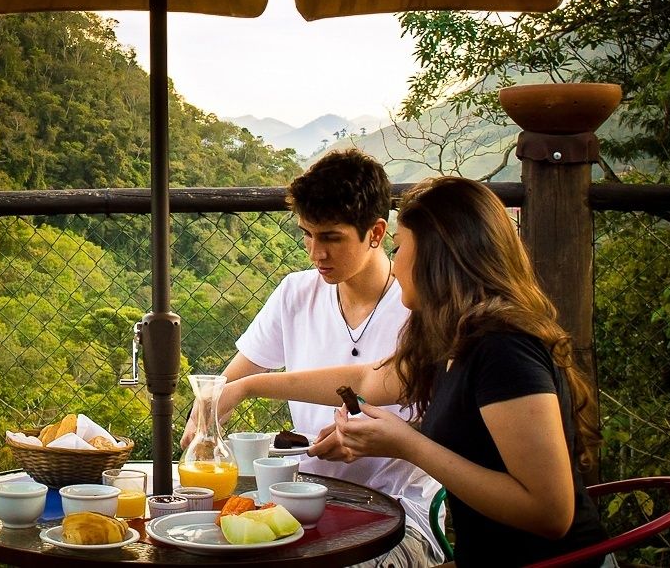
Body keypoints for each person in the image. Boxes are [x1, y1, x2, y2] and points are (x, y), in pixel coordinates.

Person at [216, 176, 608, 567]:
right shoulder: (453, 338)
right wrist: (246, 387)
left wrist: (406, 443)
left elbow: (551, 515)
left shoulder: (503, 350)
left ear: (439, 257)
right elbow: (367, 379)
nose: (395, 262)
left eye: (402, 247)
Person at [182, 149, 442, 566]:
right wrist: (207, 414)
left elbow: (437, 417)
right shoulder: (295, 293)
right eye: (307, 234)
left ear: (376, 233)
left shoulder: (419, 303)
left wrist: (372, 441)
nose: (315, 252)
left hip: (402, 510)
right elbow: (227, 384)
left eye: (331, 237)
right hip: (305, 500)